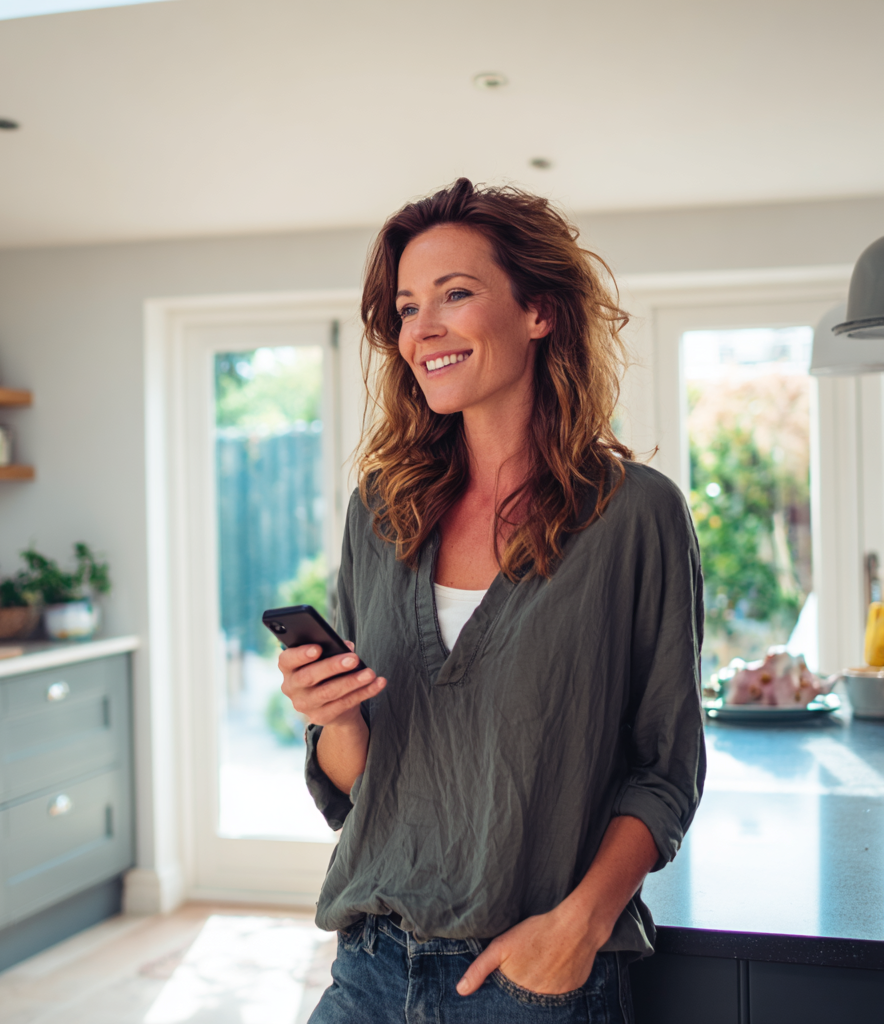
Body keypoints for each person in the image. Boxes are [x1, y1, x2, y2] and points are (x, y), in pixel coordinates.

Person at [279, 178, 705, 1023]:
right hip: (368, 970)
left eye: (456, 294)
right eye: (405, 308)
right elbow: (366, 787)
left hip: (536, 982)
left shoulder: (636, 517)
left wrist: (577, 929)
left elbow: (665, 772)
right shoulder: (381, 510)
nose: (422, 329)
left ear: (539, 312)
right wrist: (335, 716)